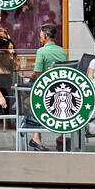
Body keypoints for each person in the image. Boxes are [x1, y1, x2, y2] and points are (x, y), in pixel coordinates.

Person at [26, 23, 68, 151]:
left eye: (40, 36)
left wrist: (30, 77)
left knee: (28, 101)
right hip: (60, 90)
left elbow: (38, 72)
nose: (39, 38)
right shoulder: (62, 51)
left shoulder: (41, 51)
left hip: (46, 92)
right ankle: (61, 137)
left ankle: (35, 137)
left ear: (45, 36)